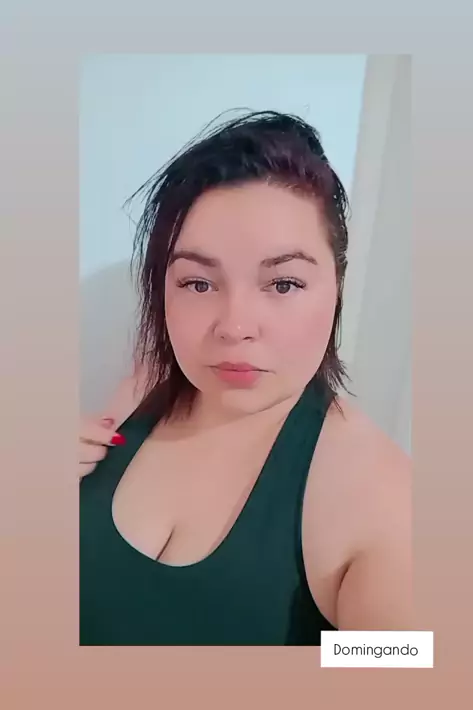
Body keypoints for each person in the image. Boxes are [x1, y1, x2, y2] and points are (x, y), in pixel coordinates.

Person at [79, 110, 412, 646]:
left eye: (283, 284)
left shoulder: (386, 500)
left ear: (337, 286)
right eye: (198, 283)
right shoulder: (143, 389)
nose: (234, 327)